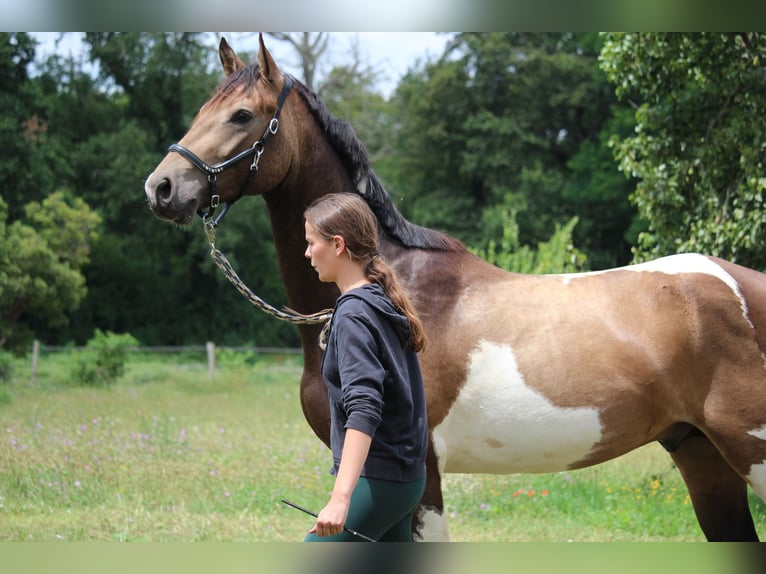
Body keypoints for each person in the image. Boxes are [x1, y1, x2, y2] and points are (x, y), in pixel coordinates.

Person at [302, 192, 429, 542]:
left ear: (338, 244)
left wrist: (341, 499)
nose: (308, 253)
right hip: (407, 480)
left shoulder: (355, 314)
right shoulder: (379, 300)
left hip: (380, 480)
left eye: (312, 243)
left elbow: (364, 407)